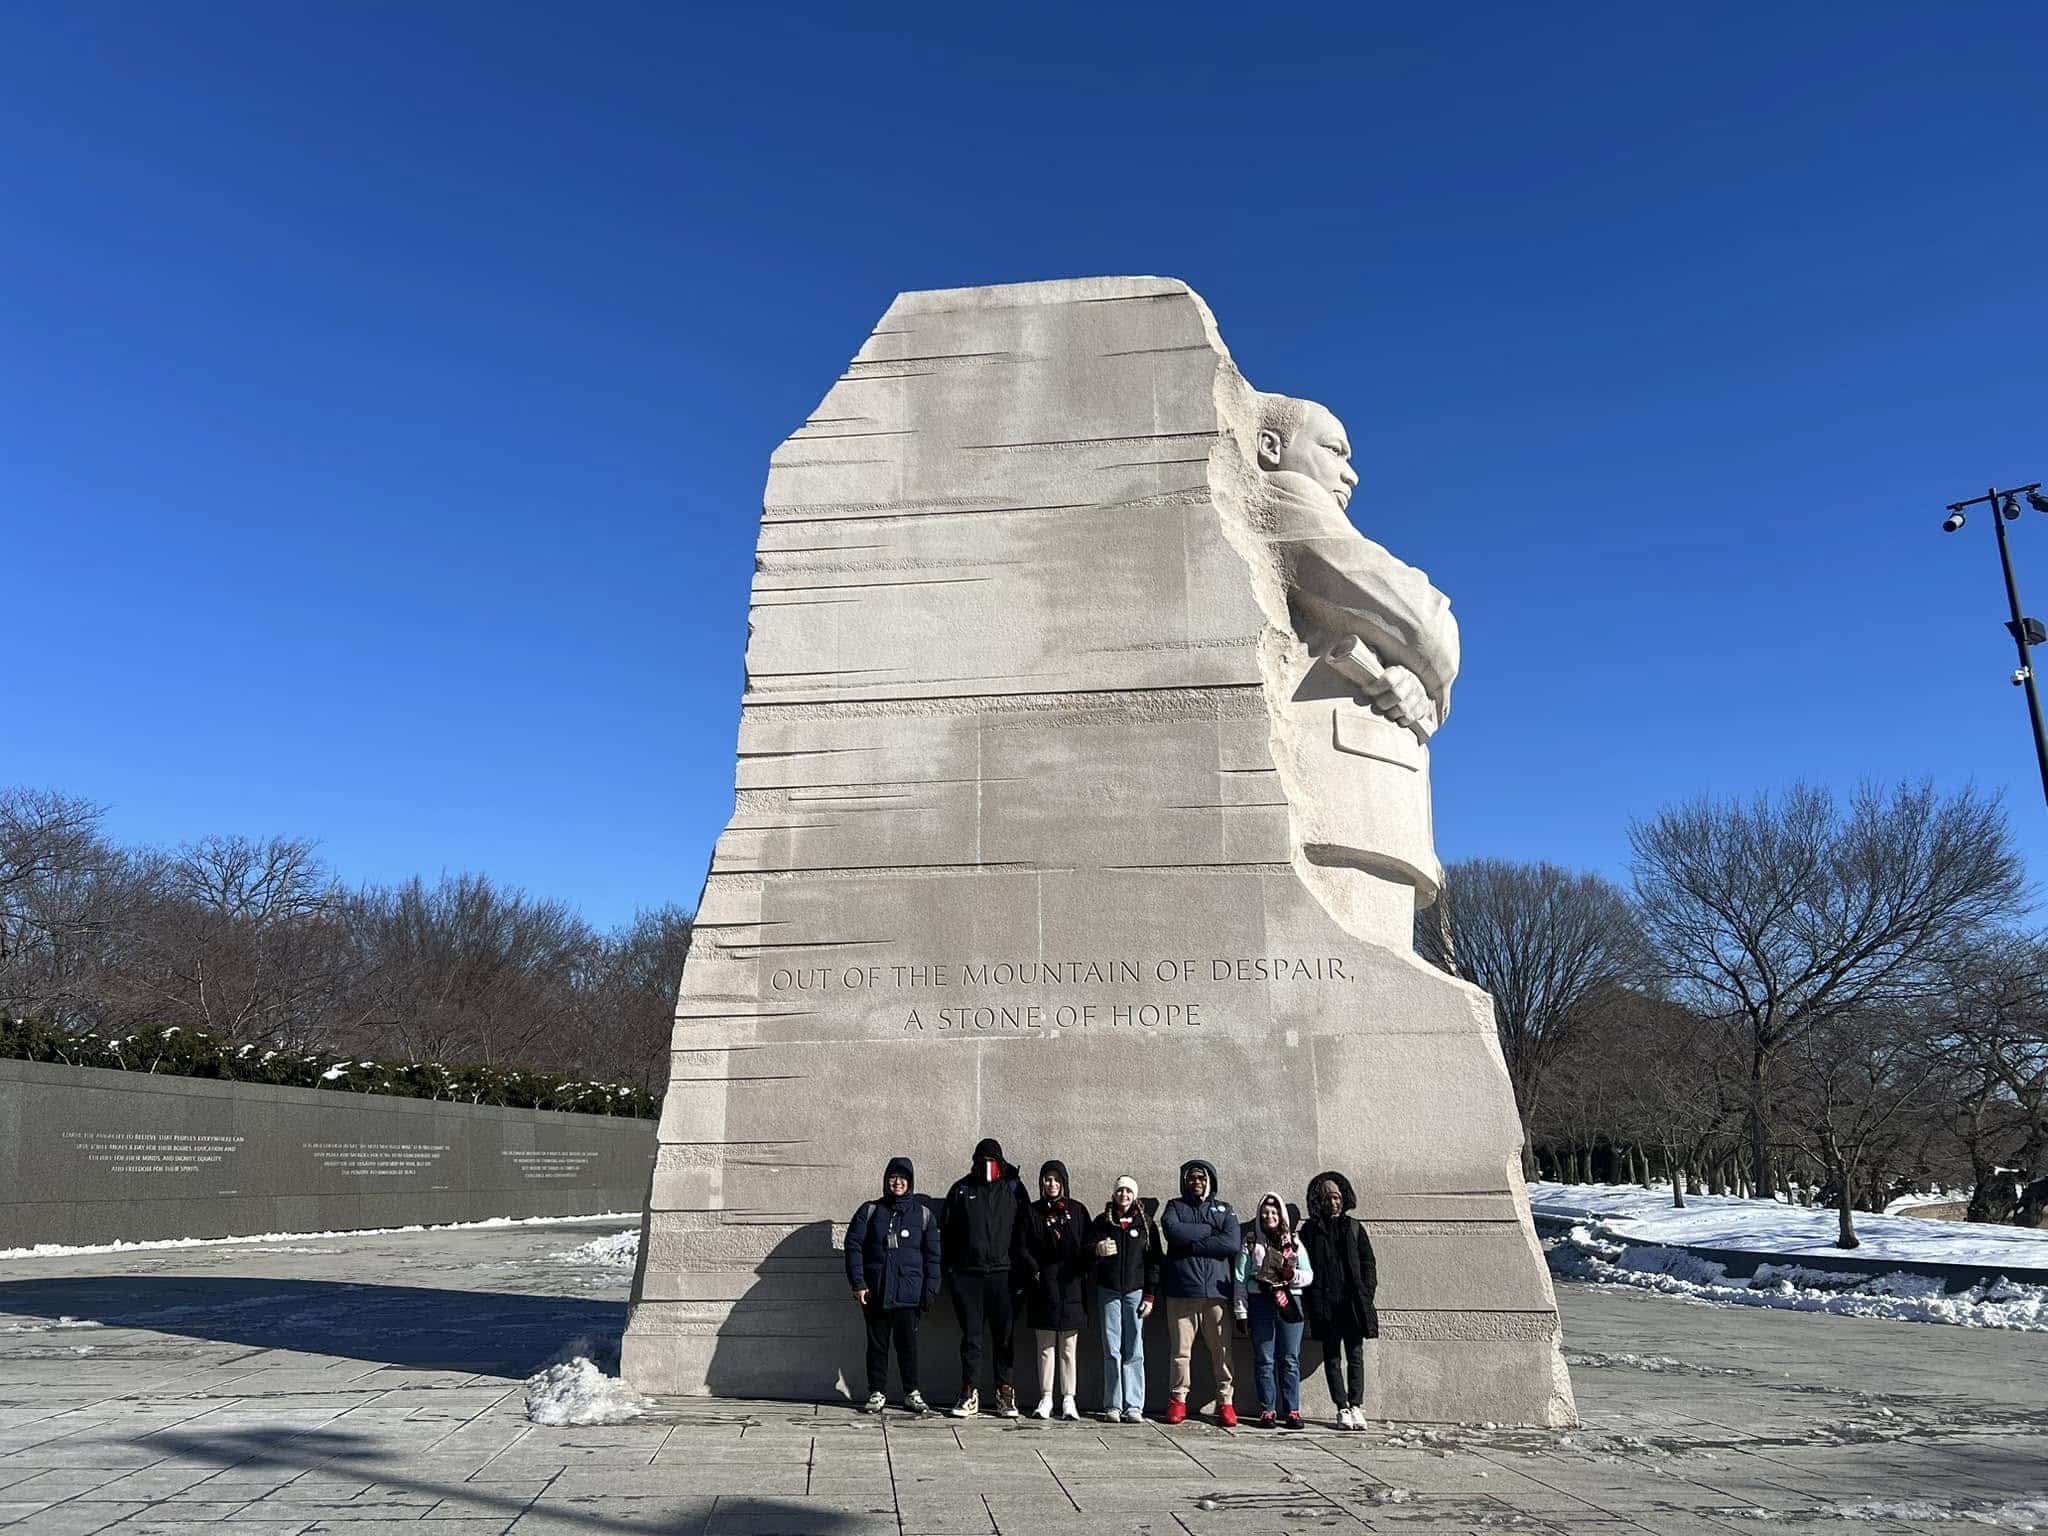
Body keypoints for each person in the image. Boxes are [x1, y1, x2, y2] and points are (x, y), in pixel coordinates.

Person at [843, 1155, 940, 1414]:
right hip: (876, 1292)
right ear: (886, 1181)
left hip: (909, 1294)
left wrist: (930, 1290)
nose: (897, 1183)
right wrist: (859, 1283)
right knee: (877, 1345)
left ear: (910, 1182)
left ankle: (912, 1393)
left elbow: (933, 1257)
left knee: (908, 1346)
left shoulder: (923, 1215)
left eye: (903, 1178)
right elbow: (853, 1246)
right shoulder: (871, 1211)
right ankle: (877, 1392)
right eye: (893, 1178)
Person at [942, 1137, 1028, 1418]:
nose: (987, 1165)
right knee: (972, 1338)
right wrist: (953, 1273)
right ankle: (969, 1391)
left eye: (993, 1160)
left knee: (1004, 1337)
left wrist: (1022, 1271)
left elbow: (1025, 1232)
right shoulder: (961, 1189)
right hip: (969, 1278)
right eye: (982, 1160)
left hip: (1004, 1277)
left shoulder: (1013, 1188)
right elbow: (949, 1233)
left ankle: (1005, 1392)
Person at [1159, 1158, 1240, 1426]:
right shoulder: (1175, 1206)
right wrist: (1208, 1231)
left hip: (1216, 1292)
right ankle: (1178, 1400)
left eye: (1202, 1178)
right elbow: (1173, 1231)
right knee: (1180, 1352)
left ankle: (1225, 1402)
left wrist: (1191, 1243)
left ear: (1210, 1181)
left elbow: (1231, 1242)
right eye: (1192, 1178)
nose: (1197, 1182)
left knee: (1222, 1351)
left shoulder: (1224, 1209)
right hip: (1182, 1291)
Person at [1299, 1170, 1379, 1430]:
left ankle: (1357, 1405)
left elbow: (1368, 1263)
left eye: (1336, 1198)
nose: (1333, 1203)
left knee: (1355, 1355)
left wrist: (1366, 1293)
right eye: (1327, 1199)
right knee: (1332, 1357)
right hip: (1326, 1305)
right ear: (1320, 1202)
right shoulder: (1310, 1231)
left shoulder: (1354, 1227)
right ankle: (1342, 1407)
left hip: (1352, 1304)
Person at [1013, 1159, 1088, 1420]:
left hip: (1070, 1286)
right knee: (1045, 1347)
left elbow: (1086, 1247)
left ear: (1064, 1183)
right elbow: (1021, 1246)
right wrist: (1034, 1269)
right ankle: (1045, 1397)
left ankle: (1069, 1399)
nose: (1052, 1184)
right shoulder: (1031, 1211)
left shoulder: (1077, 1211)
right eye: (1047, 1179)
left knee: (1068, 1347)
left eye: (1056, 1179)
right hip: (1043, 1286)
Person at [1233, 1191, 1314, 1429]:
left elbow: (1308, 1275)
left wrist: (1292, 1276)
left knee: (1289, 1359)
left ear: (1281, 1215)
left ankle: (1292, 1411)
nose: (1269, 1216)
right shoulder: (1250, 1242)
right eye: (1265, 1212)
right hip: (1261, 1302)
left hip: (1289, 1303)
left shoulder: (1293, 1243)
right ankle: (1267, 1410)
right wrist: (1241, 1311)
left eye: (1274, 1212)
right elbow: (1240, 1278)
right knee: (1264, 1359)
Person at [1087, 1174, 1160, 1423]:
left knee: (1134, 1349)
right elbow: (1085, 1251)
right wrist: (1097, 1250)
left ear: (1134, 1195)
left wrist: (1150, 1295)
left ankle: (1134, 1405)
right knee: (1112, 1349)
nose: (1124, 1196)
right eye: (1120, 1191)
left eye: (1128, 1191)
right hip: (1108, 1292)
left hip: (1135, 1293)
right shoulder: (1102, 1222)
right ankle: (1113, 1404)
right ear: (1114, 1194)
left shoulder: (1146, 1225)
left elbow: (1154, 1262)